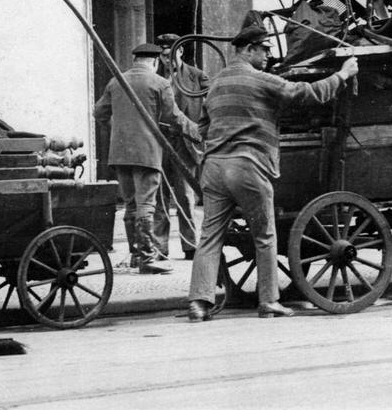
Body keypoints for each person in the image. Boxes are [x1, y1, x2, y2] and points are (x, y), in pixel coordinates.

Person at [187, 24, 357, 322]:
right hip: (248, 165)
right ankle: (269, 301)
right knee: (265, 236)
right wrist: (342, 75)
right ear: (248, 49)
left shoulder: (215, 84)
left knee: (210, 237)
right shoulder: (261, 80)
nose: (268, 55)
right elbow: (306, 93)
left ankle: (198, 303)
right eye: (264, 50)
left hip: (213, 168)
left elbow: (203, 127)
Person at [95, 42, 200, 275]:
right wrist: (197, 132)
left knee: (131, 205)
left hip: (120, 154)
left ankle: (135, 255)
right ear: (154, 62)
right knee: (146, 205)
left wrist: (117, 131)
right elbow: (174, 117)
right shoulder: (159, 83)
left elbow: (99, 112)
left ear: (135, 60)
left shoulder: (116, 81)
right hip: (147, 153)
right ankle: (146, 258)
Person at [152, 32, 208, 260]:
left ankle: (189, 246)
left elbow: (212, 104)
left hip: (185, 144)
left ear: (180, 51)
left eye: (170, 54)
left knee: (185, 196)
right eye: (163, 56)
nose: (166, 60)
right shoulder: (153, 78)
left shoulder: (197, 77)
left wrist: (202, 131)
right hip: (160, 142)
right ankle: (159, 248)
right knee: (159, 195)